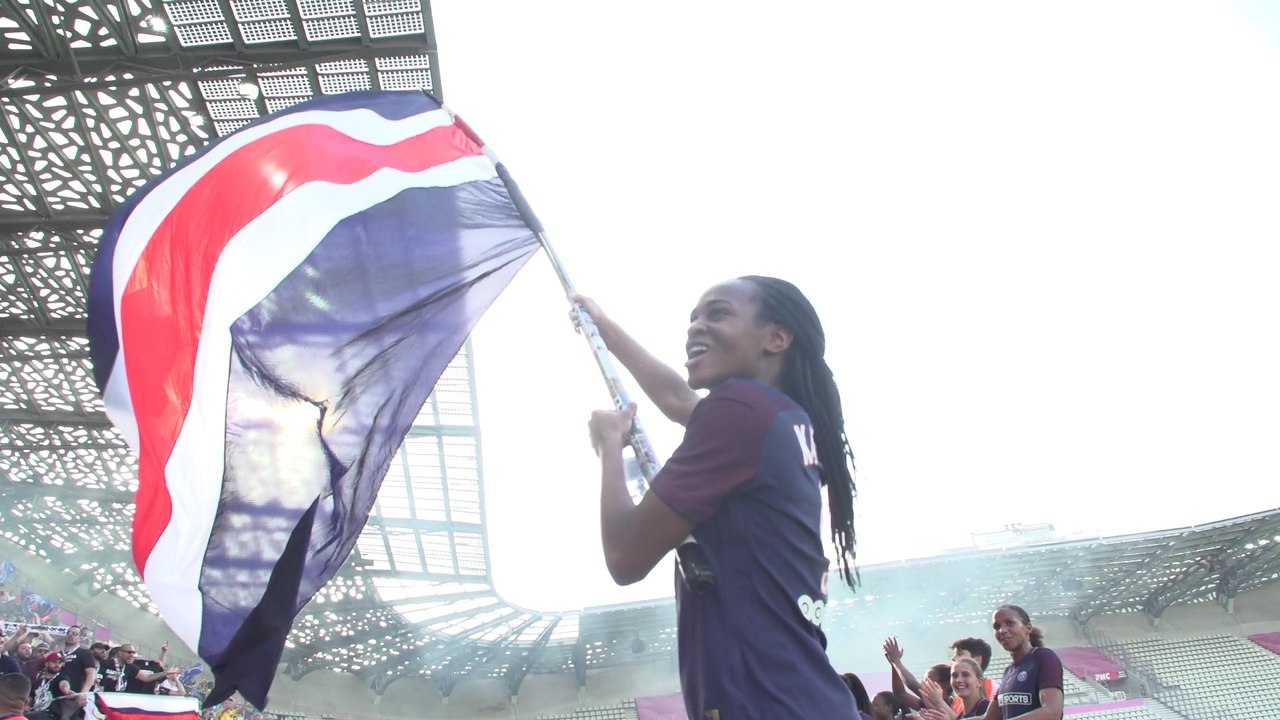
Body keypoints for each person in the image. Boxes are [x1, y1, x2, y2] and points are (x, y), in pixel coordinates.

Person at [577, 276, 859, 719]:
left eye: (718, 313)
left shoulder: (740, 411)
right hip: (802, 699)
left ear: (777, 337)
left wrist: (609, 448)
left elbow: (624, 557)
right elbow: (676, 398)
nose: (695, 327)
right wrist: (603, 327)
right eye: (693, 318)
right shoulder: (779, 417)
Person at [978, 605, 1063, 720]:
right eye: (997, 627)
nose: (1002, 631)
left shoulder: (1044, 657)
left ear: (1028, 628)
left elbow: (1052, 713)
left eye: (1010, 623)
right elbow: (988, 718)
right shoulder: (1008, 672)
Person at [919, 658, 990, 719]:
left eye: (966, 675)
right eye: (954, 675)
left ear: (979, 682)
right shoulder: (961, 715)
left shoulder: (987, 708)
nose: (958, 680)